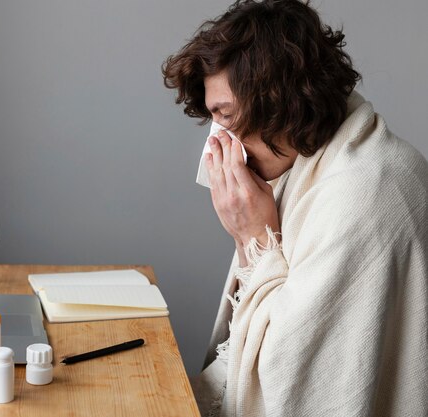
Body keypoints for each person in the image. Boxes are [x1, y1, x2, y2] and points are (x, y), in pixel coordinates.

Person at [162, 1, 428, 416]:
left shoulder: (363, 195)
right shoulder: (315, 161)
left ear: (279, 100)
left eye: (227, 118)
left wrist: (253, 239)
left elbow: (296, 385)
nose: (220, 143)